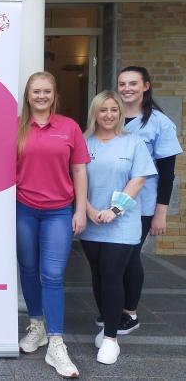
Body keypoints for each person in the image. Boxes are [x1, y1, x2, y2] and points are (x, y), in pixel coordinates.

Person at [16, 71, 89, 378]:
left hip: (59, 211)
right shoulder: (16, 129)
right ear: (28, 95)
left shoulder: (69, 127)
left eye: (47, 91)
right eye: (36, 91)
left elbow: (80, 171)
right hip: (23, 210)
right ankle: (37, 327)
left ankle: (56, 344)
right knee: (29, 270)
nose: (41, 96)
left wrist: (80, 210)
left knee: (53, 274)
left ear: (54, 94)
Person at [80, 91, 156, 364]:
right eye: (103, 110)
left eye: (114, 110)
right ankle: (108, 323)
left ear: (120, 113)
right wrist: (89, 210)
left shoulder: (133, 143)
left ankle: (111, 338)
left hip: (121, 223)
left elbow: (138, 180)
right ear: (95, 113)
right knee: (99, 275)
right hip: (91, 222)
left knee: (112, 274)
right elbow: (76, 179)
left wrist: (114, 210)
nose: (109, 115)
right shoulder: (83, 142)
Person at [111, 66, 182, 334]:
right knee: (114, 257)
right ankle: (112, 307)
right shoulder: (111, 115)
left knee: (129, 257)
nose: (127, 88)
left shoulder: (160, 123)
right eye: (122, 83)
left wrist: (160, 213)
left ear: (146, 86)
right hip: (112, 201)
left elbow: (167, 174)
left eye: (133, 83)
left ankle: (129, 313)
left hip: (143, 203)